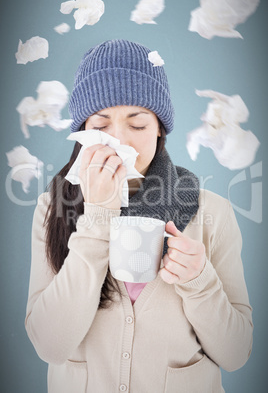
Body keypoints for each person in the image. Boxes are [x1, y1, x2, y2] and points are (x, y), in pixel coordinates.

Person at [25, 39, 253, 393]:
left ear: (160, 127)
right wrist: (99, 214)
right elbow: (50, 345)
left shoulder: (213, 213)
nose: (120, 140)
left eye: (138, 124)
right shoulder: (52, 208)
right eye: (101, 126)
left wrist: (199, 281)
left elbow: (237, 353)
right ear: (83, 131)